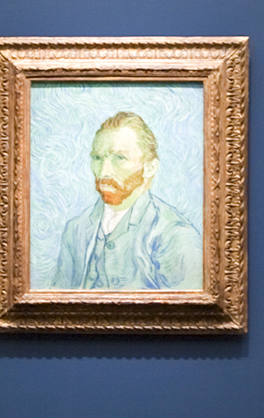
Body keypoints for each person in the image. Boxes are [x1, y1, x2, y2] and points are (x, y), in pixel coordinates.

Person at [49, 111, 202, 290]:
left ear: (150, 168)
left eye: (119, 158)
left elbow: (189, 315)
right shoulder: (76, 230)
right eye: (97, 158)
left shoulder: (175, 235)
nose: (103, 171)